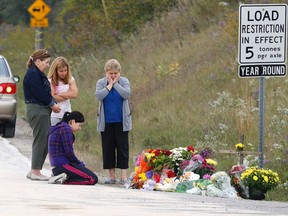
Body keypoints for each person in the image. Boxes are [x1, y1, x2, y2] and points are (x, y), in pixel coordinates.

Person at [23, 49, 61, 181]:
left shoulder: (38, 73)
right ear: (38, 61)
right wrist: (52, 104)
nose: (47, 65)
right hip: (37, 110)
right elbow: (40, 93)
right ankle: (35, 171)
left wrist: (52, 102)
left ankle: (35, 169)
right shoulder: (33, 74)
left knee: (44, 138)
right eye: (46, 62)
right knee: (41, 139)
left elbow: (45, 92)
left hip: (42, 110)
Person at [95, 59, 132, 184]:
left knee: (123, 148)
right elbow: (99, 96)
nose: (113, 76)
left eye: (115, 73)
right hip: (106, 122)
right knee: (108, 148)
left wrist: (115, 84)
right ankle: (111, 176)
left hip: (121, 121)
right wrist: (109, 85)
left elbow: (126, 94)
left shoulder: (124, 81)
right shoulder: (101, 83)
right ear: (106, 73)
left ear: (119, 72)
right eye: (110, 73)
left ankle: (123, 176)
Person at [48, 111, 98, 185]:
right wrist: (78, 163)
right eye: (79, 125)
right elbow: (69, 152)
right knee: (93, 179)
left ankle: (60, 177)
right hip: (63, 165)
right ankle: (62, 180)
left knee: (85, 173)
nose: (79, 128)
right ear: (73, 121)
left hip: (58, 167)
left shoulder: (61, 127)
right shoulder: (66, 129)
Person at [47, 57, 78, 126]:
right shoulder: (49, 81)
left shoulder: (70, 79)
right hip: (54, 115)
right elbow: (52, 98)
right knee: (55, 135)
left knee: (67, 136)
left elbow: (75, 94)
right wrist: (68, 94)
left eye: (65, 70)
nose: (64, 73)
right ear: (55, 71)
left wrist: (61, 94)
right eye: (61, 71)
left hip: (67, 114)